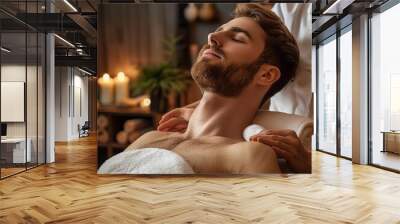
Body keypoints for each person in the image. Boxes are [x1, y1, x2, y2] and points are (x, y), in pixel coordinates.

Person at [126, 4, 310, 173]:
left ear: (266, 75)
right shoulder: (150, 139)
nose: (212, 37)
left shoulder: (247, 157)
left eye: (237, 38)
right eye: (217, 31)